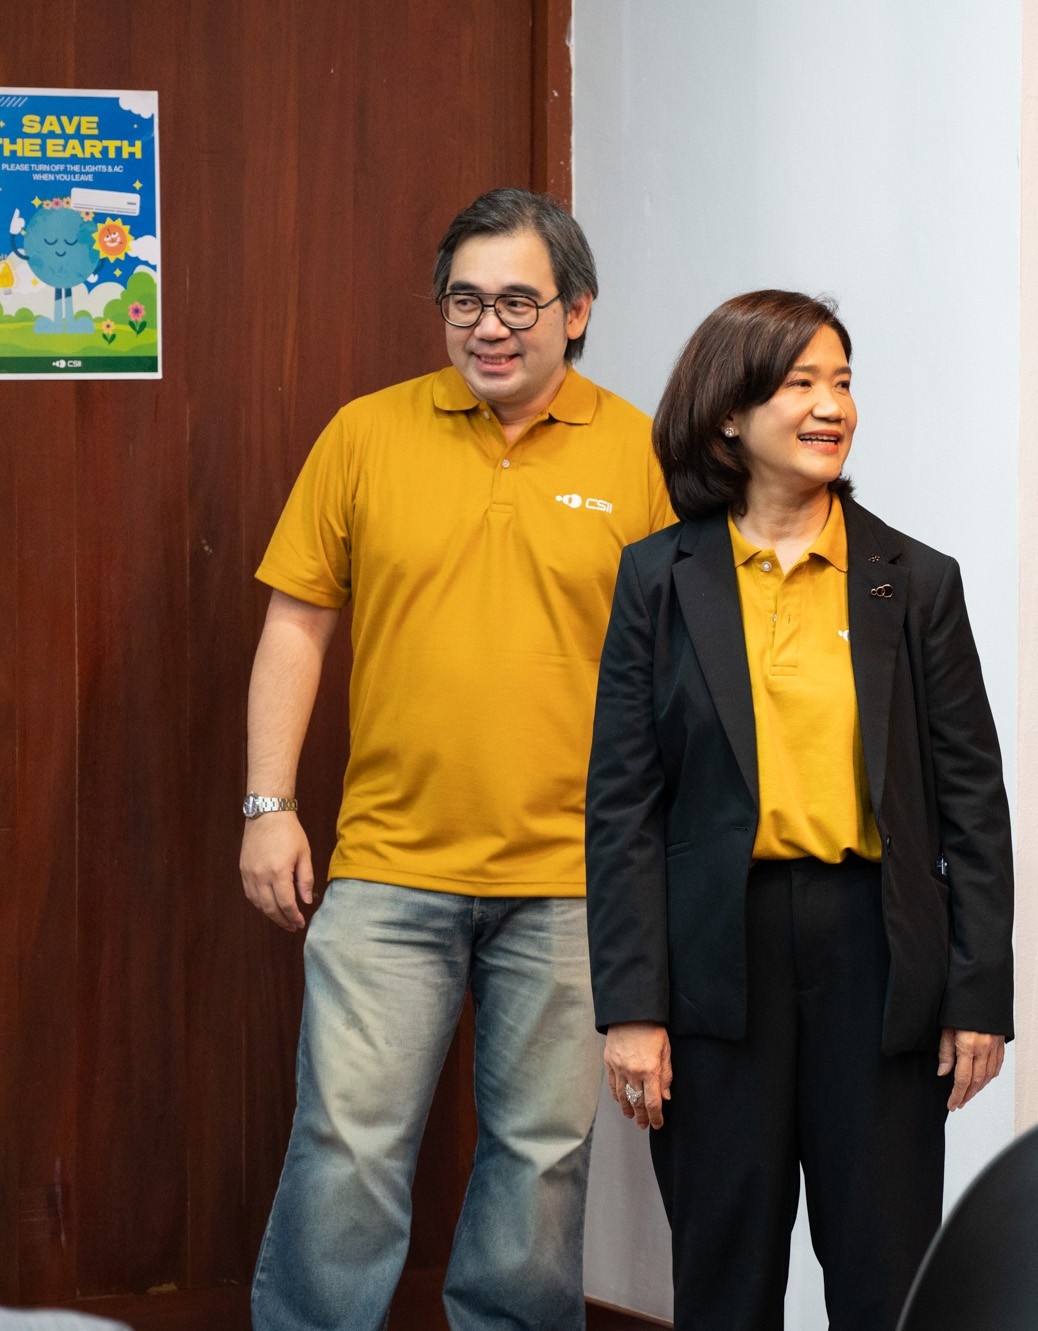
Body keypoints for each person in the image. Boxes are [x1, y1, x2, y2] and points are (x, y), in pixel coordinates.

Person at [238, 189, 674, 1331]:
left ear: (576, 311)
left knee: (539, 1163)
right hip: (387, 865)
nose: (489, 326)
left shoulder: (640, 452)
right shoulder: (365, 433)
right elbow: (296, 624)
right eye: (464, 301)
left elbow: (686, 667)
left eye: (519, 300)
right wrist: (266, 803)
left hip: (573, 880)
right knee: (344, 1148)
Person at [586, 290, 1014, 1331]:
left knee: (885, 1264)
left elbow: (973, 800)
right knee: (725, 1266)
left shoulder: (914, 581)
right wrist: (632, 1004)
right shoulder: (658, 578)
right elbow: (623, 804)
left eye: (842, 382)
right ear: (728, 414)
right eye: (800, 383)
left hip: (875, 948)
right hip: (712, 956)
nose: (831, 406)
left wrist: (978, 991)